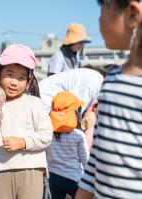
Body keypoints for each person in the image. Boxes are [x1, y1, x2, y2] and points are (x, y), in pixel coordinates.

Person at [75, 0, 142, 198]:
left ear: (132, 15)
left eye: (104, 6)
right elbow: (99, 152)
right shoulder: (112, 79)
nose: (98, 18)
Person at [0, 44, 53, 199]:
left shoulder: (34, 103)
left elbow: (46, 136)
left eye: (21, 78)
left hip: (31, 168)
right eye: (10, 74)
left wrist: (23, 142)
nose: (14, 82)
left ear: (29, 80)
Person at [47, 91, 89, 199]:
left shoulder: (48, 132)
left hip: (53, 177)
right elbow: (85, 160)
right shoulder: (78, 135)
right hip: (73, 178)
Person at [39, 67, 104, 114]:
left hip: (46, 97)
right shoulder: (95, 82)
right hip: (45, 99)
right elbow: (77, 108)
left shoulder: (95, 77)